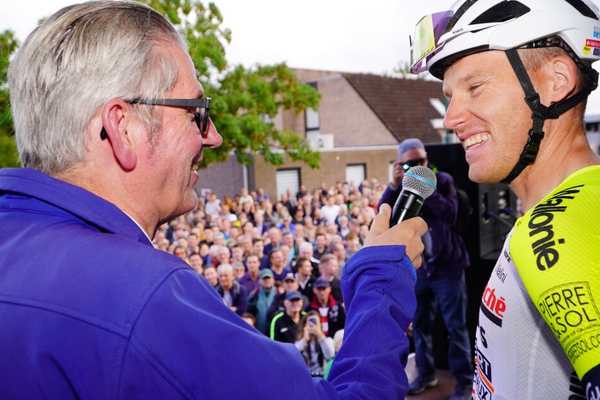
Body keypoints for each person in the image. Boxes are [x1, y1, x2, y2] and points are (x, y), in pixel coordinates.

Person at [0, 1, 427, 398]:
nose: (214, 136)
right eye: (196, 111)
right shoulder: (146, 301)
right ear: (122, 128)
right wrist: (381, 281)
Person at [410, 0, 600, 399]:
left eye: (475, 87)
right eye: (449, 96)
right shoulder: (559, 214)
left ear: (556, 81)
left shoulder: (557, 231)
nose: (450, 118)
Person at [379, 138, 472, 399]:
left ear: (427, 158)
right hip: (419, 271)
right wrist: (395, 186)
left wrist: (422, 187)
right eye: (410, 164)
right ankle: (426, 373)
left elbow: (451, 213)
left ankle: (465, 381)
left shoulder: (441, 180)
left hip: (448, 267)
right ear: (400, 165)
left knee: (456, 327)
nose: (418, 166)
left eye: (421, 161)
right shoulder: (399, 188)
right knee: (419, 326)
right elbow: (383, 219)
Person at [295, 310, 336, 377]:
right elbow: (294, 353)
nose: (312, 326)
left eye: (315, 323)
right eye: (310, 323)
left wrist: (320, 335)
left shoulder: (327, 340)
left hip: (322, 376)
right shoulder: (301, 342)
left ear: (320, 324)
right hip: (306, 377)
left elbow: (330, 355)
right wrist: (304, 339)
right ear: (305, 325)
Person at [247, 269, 278, 336]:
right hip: (259, 331)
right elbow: (249, 312)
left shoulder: (279, 293)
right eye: (264, 278)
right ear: (259, 281)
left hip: (275, 332)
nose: (267, 281)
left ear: (273, 279)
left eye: (268, 278)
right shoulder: (254, 294)